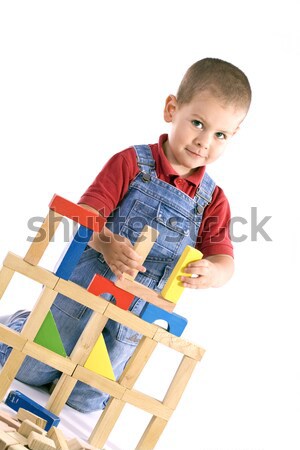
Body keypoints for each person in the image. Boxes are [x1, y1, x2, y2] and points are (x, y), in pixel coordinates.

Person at [0, 57, 251, 413]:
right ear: (171, 109)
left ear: (232, 136)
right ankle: (21, 324)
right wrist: (106, 241)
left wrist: (214, 272)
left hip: (128, 322)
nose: (204, 141)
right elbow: (86, 215)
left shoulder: (212, 201)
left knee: (85, 400)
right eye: (197, 122)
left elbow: (224, 259)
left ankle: (71, 375)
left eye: (220, 134)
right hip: (80, 295)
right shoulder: (132, 163)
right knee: (30, 366)